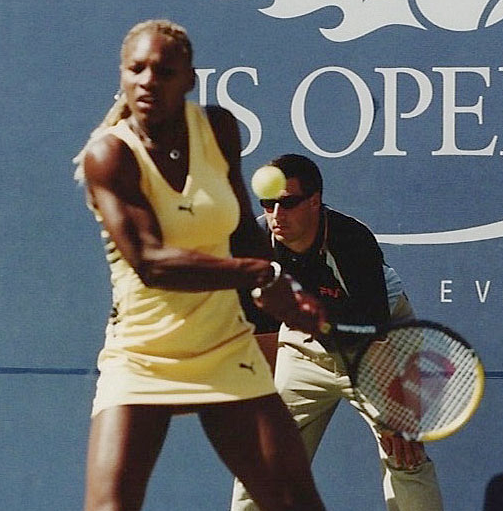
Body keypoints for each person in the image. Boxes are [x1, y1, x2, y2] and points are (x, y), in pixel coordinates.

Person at [74, 21, 329, 511]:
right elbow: (151, 263)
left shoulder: (217, 129)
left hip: (224, 347)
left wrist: (283, 290)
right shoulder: (109, 155)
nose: (149, 81)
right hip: (143, 355)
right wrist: (259, 276)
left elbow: (243, 232)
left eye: (164, 71)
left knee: (295, 501)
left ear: (190, 79)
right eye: (136, 69)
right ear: (122, 76)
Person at [231, 154, 444, 511]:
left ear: (314, 201)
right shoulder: (257, 247)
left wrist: (394, 415)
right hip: (303, 347)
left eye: (288, 203)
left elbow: (374, 334)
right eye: (268, 203)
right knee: (264, 462)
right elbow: (265, 333)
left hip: (379, 347)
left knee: (404, 455)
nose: (276, 215)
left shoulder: (351, 241)